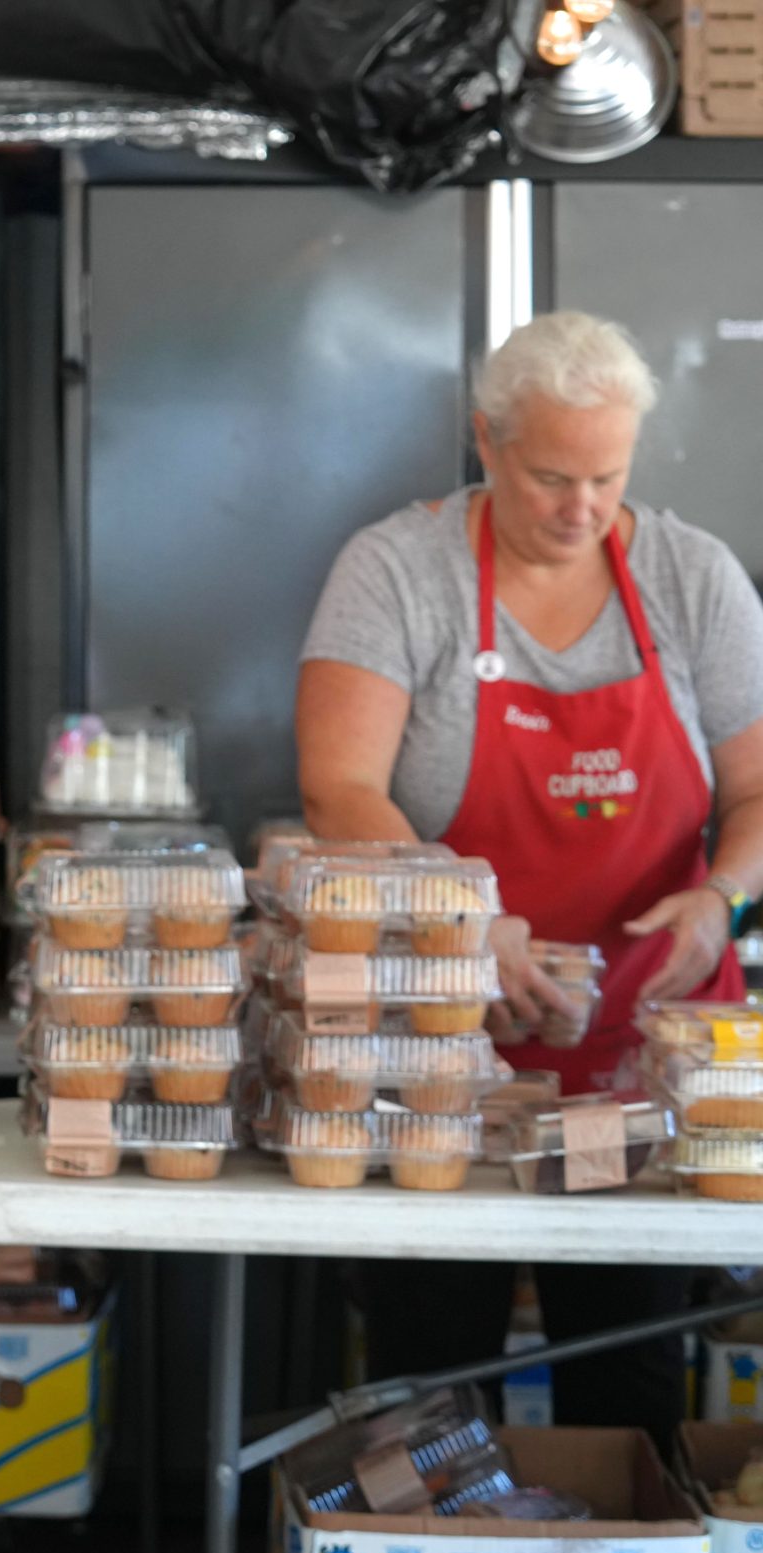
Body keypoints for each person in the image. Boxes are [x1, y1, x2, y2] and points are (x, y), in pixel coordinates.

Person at [295, 309, 763, 1438]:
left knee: (628, 1378)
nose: (581, 509)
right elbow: (339, 791)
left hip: (641, 1065)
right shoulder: (398, 570)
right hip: (442, 1055)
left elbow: (755, 799)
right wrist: (468, 919)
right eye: (552, 475)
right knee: (431, 1379)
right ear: (486, 441)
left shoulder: (693, 578)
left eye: (607, 477)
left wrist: (721, 900)